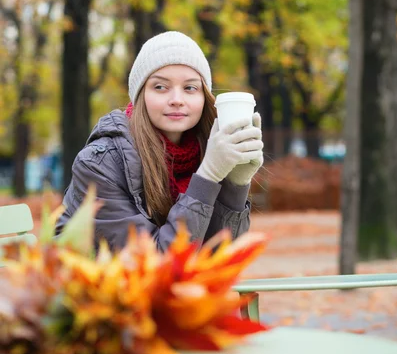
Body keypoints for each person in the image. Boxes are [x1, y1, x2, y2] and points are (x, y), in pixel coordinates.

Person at [55, 31, 264, 252]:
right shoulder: (99, 164)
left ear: (205, 98)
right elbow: (153, 264)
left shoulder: (210, 150)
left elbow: (218, 258)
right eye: (160, 87)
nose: (176, 100)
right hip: (90, 284)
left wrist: (235, 185)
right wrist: (208, 176)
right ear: (140, 96)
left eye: (190, 88)